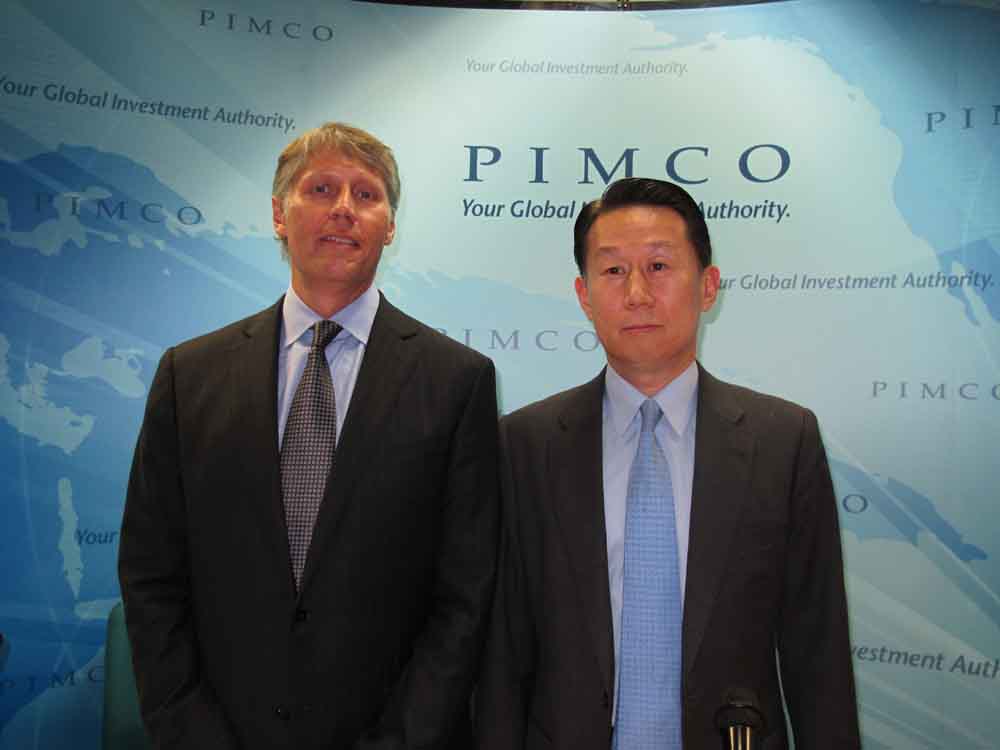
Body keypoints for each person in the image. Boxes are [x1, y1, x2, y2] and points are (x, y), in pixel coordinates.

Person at [119, 122, 499, 750]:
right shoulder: (189, 376)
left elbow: (465, 596)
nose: (344, 208)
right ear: (278, 213)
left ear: (390, 226)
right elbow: (151, 574)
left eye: (366, 195)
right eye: (321, 188)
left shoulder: (457, 381)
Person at [476, 178, 859, 749]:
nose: (636, 293)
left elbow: (817, 652)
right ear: (583, 295)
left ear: (708, 286)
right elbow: (503, 655)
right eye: (612, 270)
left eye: (659, 266)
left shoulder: (782, 441)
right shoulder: (524, 445)